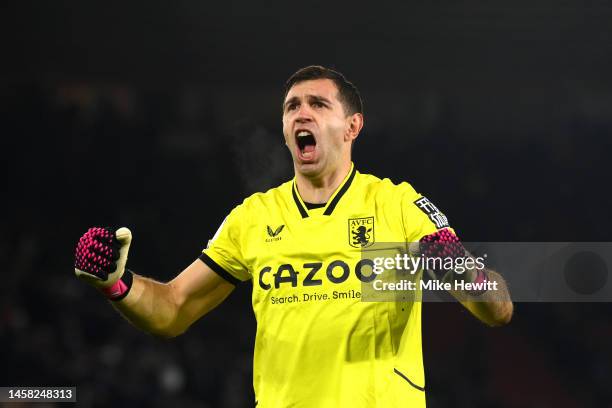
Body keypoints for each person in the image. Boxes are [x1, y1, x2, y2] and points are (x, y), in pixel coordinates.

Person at [74, 65, 513, 407]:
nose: (301, 113)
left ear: (352, 126)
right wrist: (117, 284)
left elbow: (498, 310)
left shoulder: (396, 204)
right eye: (291, 107)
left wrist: (459, 267)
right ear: (285, 130)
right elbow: (173, 308)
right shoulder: (254, 217)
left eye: (319, 105)